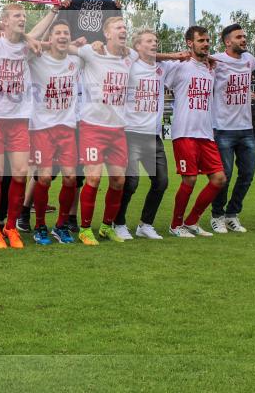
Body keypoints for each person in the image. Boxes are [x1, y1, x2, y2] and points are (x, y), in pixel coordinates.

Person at [0, 3, 52, 248]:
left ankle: (11, 227)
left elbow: (37, 33)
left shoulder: (27, 46)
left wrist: (54, 12)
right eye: (17, 16)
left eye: (24, 16)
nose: (22, 19)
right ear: (5, 21)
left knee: (20, 173)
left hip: (19, 118)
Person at [163, 26, 226, 238]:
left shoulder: (212, 67)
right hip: (185, 132)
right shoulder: (178, 65)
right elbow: (146, 58)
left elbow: (238, 58)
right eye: (201, 40)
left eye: (208, 40)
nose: (206, 44)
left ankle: (191, 221)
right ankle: (175, 224)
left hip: (206, 133)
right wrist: (171, 55)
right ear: (190, 43)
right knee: (189, 180)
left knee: (218, 179)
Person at [74, 16, 131, 245]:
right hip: (92, 127)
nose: (123, 30)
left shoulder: (130, 56)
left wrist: (177, 56)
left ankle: (107, 226)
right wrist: (79, 43)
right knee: (94, 178)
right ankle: (85, 229)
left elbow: (150, 56)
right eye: (118, 27)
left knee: (118, 180)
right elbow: (66, 49)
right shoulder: (92, 52)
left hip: (117, 129)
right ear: (107, 34)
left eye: (125, 27)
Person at [27, 20, 81, 244]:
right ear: (50, 38)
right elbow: (26, 42)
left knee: (71, 177)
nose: (62, 36)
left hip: (67, 128)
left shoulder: (76, 60)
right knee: (45, 178)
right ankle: (39, 225)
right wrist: (44, 44)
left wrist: (87, 45)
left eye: (65, 32)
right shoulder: (37, 59)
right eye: (57, 33)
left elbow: (100, 52)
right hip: (42, 128)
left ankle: (61, 226)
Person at [114, 29, 169, 241]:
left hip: (152, 136)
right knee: (131, 183)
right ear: (137, 46)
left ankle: (146, 224)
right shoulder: (129, 66)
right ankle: (118, 223)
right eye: (149, 41)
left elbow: (189, 59)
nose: (154, 43)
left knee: (161, 182)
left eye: (156, 40)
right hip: (130, 133)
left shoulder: (163, 69)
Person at [209, 24, 255, 234]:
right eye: (239, 37)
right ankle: (217, 215)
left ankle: (232, 214)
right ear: (228, 41)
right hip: (223, 128)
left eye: (244, 36)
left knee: (247, 174)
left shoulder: (250, 60)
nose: (244, 39)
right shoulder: (215, 60)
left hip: (247, 128)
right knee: (224, 175)